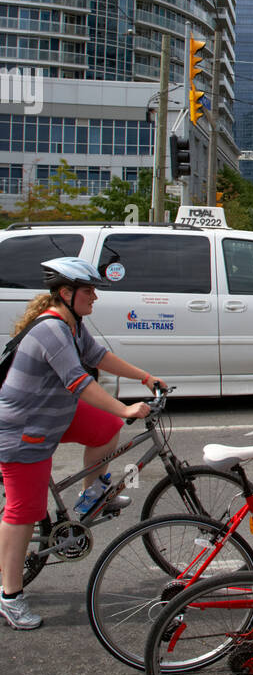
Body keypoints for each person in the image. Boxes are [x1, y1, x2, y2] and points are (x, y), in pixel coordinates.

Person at [0, 258, 164, 630]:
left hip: (54, 416)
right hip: (25, 429)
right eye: (89, 290)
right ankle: (9, 596)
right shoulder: (51, 331)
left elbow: (97, 357)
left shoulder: (73, 325)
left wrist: (145, 376)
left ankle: (92, 495)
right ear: (66, 293)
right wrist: (126, 408)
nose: (95, 297)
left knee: (106, 428)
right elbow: (79, 382)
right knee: (24, 511)